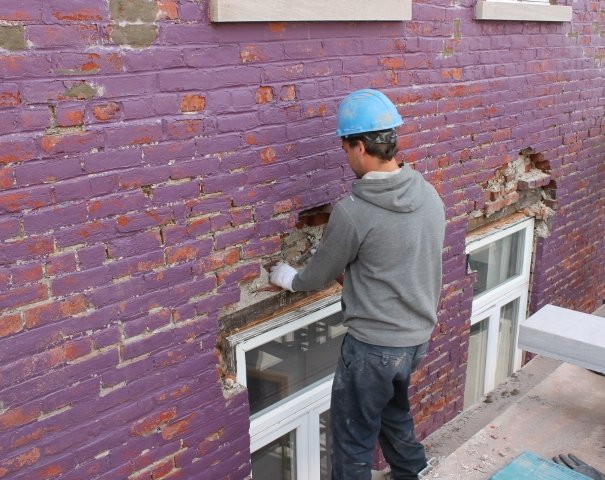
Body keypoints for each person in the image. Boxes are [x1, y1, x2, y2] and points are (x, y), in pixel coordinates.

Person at [270, 89, 446, 480]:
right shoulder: (429, 194)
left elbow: (318, 275)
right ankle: (413, 473)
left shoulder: (355, 212)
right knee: (393, 414)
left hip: (373, 348)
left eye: (346, 148)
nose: (346, 157)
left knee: (352, 439)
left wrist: (288, 278)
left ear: (361, 147)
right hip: (415, 339)